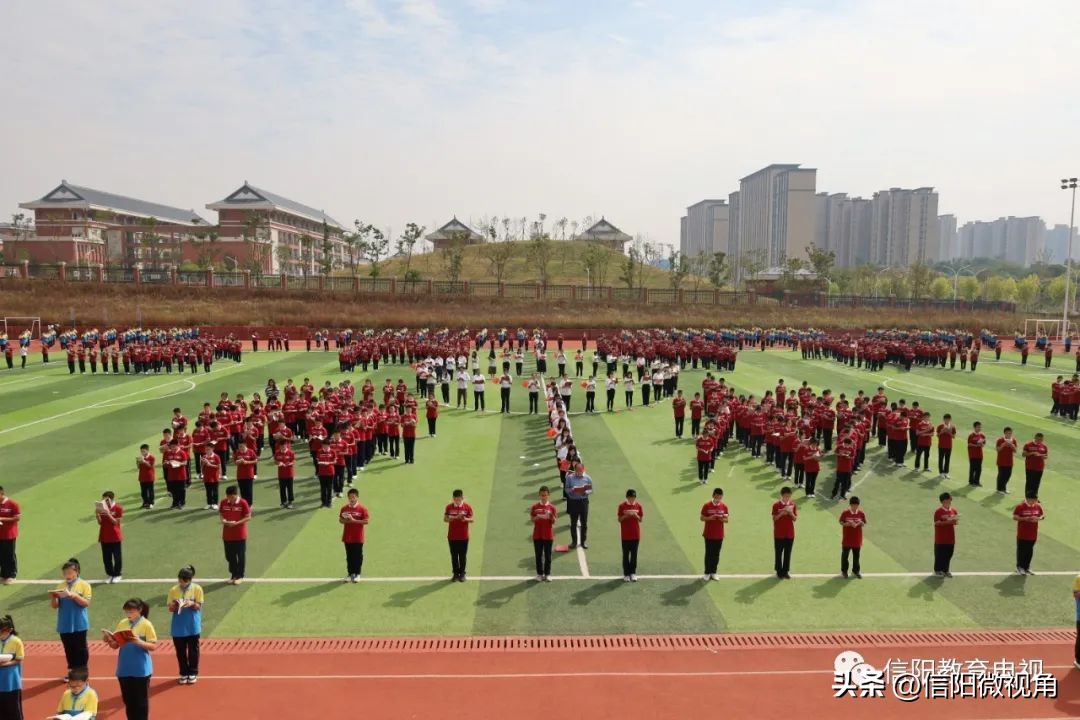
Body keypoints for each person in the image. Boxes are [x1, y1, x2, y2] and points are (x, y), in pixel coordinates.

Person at [103, 598, 156, 720]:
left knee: (141, 703)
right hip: (124, 668)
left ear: (139, 610)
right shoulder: (123, 623)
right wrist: (109, 640)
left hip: (141, 669)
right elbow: (116, 645)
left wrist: (138, 641)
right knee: (128, 701)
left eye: (131, 612)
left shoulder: (146, 624)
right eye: (127, 612)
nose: (128, 615)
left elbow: (153, 646)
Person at [51, 559, 92, 680]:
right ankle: (72, 672)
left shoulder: (84, 585)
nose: (67, 575)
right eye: (65, 573)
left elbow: (86, 603)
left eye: (69, 572)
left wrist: (74, 596)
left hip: (79, 622)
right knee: (68, 648)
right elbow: (55, 606)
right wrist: (54, 598)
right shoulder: (60, 586)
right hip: (64, 623)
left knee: (80, 648)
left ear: (77, 572)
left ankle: (83, 671)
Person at [167, 565, 204, 684]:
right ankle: (183, 672)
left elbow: (199, 606)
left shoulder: (197, 589)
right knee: (180, 651)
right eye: (180, 580)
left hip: (192, 624)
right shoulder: (173, 590)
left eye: (184, 581)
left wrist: (191, 603)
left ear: (189, 579)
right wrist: (176, 604)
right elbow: (170, 608)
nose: (181, 583)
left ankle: (193, 672)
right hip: (178, 626)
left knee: (193, 650)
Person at [219, 486, 251, 585]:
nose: (230, 500)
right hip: (227, 534)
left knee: (240, 556)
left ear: (236, 495)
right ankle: (233, 575)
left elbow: (248, 517)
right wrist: (223, 520)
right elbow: (221, 513)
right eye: (228, 497)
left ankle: (240, 575)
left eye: (232, 497)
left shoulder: (243, 503)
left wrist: (236, 523)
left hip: (240, 534)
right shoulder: (224, 502)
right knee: (229, 556)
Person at [340, 489, 369, 583]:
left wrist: (353, 521)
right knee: (349, 556)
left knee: (358, 556)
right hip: (347, 537)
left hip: (358, 537)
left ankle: (357, 573)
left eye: (353, 497)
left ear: (357, 497)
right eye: (350, 497)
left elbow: (366, 521)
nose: (352, 499)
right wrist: (346, 520)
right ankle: (350, 573)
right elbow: (340, 520)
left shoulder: (362, 509)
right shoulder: (344, 508)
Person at [444, 490, 474, 582]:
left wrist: (465, 519)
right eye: (456, 499)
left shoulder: (467, 507)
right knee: (454, 555)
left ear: (462, 498)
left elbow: (472, 519)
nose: (457, 501)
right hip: (452, 536)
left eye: (459, 499)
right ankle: (455, 574)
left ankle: (462, 574)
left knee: (462, 555)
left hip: (464, 536)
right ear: (453, 498)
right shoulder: (449, 507)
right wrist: (455, 517)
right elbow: (445, 519)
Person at [700, 488, 728, 580]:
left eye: (720, 497)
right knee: (708, 553)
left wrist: (721, 519)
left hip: (719, 535)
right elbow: (702, 518)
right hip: (709, 534)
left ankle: (714, 572)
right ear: (713, 496)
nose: (718, 499)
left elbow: (726, 520)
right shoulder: (706, 505)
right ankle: (707, 572)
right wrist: (710, 518)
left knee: (716, 554)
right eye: (717, 497)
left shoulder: (724, 506)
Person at [563, 462, 592, 550]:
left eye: (580, 470)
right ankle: (574, 542)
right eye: (577, 470)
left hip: (583, 502)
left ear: (583, 469)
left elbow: (590, 489)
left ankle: (583, 542)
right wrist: (571, 490)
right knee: (573, 523)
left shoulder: (587, 478)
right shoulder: (569, 478)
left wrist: (585, 491)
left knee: (584, 523)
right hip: (573, 502)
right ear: (575, 470)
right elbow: (566, 489)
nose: (579, 471)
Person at [1013, 494, 1045, 575]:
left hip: (1033, 534)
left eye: (1035, 500)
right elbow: (1015, 517)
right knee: (1022, 551)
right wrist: (1025, 519)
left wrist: (1038, 518)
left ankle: (1027, 567)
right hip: (1022, 534)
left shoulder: (1038, 506)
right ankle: (1019, 567)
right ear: (1028, 499)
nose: (1034, 502)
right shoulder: (1020, 506)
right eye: (1033, 500)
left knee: (1029, 551)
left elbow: (1042, 515)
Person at [530, 486, 556, 582]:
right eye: (542, 495)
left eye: (545, 495)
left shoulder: (552, 508)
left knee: (548, 555)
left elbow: (554, 521)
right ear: (539, 495)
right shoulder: (534, 507)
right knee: (538, 555)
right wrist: (536, 518)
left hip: (548, 535)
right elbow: (532, 519)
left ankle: (548, 574)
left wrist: (550, 516)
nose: (543, 497)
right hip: (537, 534)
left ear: (548, 495)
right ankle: (539, 574)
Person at [96, 491, 124, 582]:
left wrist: (108, 514)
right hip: (104, 536)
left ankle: (117, 574)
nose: (103, 501)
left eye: (105, 499)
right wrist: (97, 515)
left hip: (115, 536)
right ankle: (110, 574)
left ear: (111, 499)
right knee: (106, 558)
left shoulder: (118, 508)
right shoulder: (102, 508)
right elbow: (100, 523)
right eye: (102, 499)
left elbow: (116, 522)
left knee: (117, 557)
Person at [0, 615, 24, 720]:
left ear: (9, 630)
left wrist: (4, 664)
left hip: (11, 682)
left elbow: (19, 659)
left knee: (13, 709)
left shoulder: (16, 641)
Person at [618, 489, 644, 582]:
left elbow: (640, 519)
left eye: (633, 497)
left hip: (635, 535)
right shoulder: (622, 506)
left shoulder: (638, 506)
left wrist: (635, 515)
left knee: (634, 555)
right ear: (627, 497)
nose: (632, 499)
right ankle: (626, 574)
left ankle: (633, 573)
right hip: (625, 535)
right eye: (630, 497)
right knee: (625, 555)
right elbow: (619, 519)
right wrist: (627, 515)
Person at [772, 487, 797, 579]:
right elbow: (774, 519)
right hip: (779, 533)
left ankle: (785, 571)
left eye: (789, 496)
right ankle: (779, 571)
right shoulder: (776, 505)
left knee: (787, 553)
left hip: (790, 533)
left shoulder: (792, 504)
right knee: (778, 553)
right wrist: (782, 513)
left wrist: (790, 513)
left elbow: (795, 519)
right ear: (782, 495)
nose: (787, 498)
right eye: (786, 496)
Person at [839, 497, 866, 579]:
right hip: (847, 539)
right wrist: (848, 524)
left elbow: (864, 522)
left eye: (856, 505)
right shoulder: (845, 513)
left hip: (857, 539)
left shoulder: (861, 513)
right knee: (845, 556)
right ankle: (844, 571)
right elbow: (841, 522)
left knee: (856, 556)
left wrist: (860, 523)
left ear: (858, 505)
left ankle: (856, 571)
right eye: (853, 505)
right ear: (850, 505)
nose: (855, 507)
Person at [933, 492, 959, 577]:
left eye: (950, 500)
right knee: (939, 554)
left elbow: (956, 522)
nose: (950, 501)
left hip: (950, 538)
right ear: (944, 501)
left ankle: (946, 570)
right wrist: (948, 521)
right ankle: (938, 570)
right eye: (949, 500)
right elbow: (936, 523)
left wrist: (954, 520)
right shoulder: (938, 511)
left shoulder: (953, 510)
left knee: (949, 554)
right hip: (940, 538)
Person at [0, 486, 21, 584]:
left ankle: (12, 575)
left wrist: (2, 519)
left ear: (2, 493)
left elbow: (17, 518)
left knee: (9, 554)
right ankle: (3, 574)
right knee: (1, 555)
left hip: (9, 534)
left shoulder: (12, 504)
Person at [1022, 432, 1048, 498]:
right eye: (1038, 439)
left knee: (1036, 483)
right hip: (1030, 467)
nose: (1040, 441)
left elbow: (1046, 456)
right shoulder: (1028, 445)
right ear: (1035, 438)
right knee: (1029, 482)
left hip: (1040, 468)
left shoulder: (1044, 446)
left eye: (1041, 440)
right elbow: (1023, 454)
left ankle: (1034, 497)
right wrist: (1032, 453)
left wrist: (1041, 456)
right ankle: (1027, 497)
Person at [995, 427, 1018, 494]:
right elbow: (998, 450)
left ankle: (1004, 488)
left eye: (1010, 433)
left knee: (1008, 475)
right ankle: (999, 489)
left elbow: (1015, 451)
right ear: (1004, 433)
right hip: (1001, 461)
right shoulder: (1000, 440)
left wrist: (1011, 445)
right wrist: (1003, 445)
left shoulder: (1013, 440)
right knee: (1001, 475)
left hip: (1009, 461)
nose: (1009, 434)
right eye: (1008, 433)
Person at [273, 439, 296, 509]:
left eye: (284, 446)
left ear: (286, 445)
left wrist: (290, 463)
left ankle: (290, 502)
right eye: (281, 446)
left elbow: (294, 461)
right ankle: (283, 502)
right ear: (280, 446)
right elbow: (275, 461)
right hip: (281, 474)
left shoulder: (291, 453)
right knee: (282, 488)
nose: (283, 447)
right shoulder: (277, 452)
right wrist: (279, 463)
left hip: (289, 473)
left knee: (290, 488)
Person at [200, 444, 222, 510]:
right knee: (208, 491)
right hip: (207, 477)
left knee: (215, 490)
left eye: (208, 449)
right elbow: (202, 467)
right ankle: (209, 503)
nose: (207, 451)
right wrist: (203, 464)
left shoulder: (216, 457)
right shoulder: (204, 456)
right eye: (206, 449)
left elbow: (218, 467)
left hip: (214, 476)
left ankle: (215, 503)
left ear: (212, 449)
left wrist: (210, 464)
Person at [135, 444, 156, 509]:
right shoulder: (140, 457)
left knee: (150, 491)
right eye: (141, 451)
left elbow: (150, 466)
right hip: (142, 477)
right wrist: (138, 462)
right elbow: (138, 467)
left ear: (147, 450)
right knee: (143, 492)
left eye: (143, 451)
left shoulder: (152, 457)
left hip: (149, 477)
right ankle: (145, 502)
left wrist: (144, 461)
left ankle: (151, 503)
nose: (142, 453)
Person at [936, 413, 956, 478]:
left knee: (947, 459)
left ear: (950, 419)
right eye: (946, 419)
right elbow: (937, 435)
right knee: (941, 459)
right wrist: (942, 431)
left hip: (949, 446)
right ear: (944, 419)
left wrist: (948, 432)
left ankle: (946, 472)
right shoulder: (940, 426)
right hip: (941, 445)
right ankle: (941, 472)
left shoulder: (952, 427)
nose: (947, 420)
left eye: (948, 419)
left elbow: (953, 436)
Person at [966, 421, 985, 486]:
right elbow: (969, 444)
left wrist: (981, 443)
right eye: (978, 427)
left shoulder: (982, 435)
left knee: (979, 469)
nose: (979, 428)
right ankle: (971, 482)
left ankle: (977, 481)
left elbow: (983, 445)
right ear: (974, 427)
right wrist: (976, 445)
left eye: (980, 427)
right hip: (973, 455)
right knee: (972, 468)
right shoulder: (971, 435)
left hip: (979, 455)